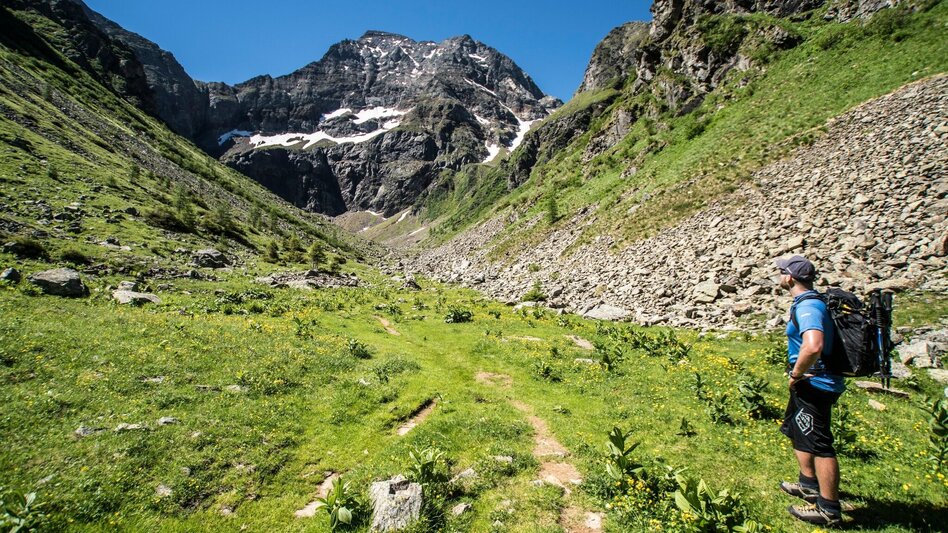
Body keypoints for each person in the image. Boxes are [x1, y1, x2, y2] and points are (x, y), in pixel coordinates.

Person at [775, 255, 845, 526]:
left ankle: (828, 508)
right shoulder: (808, 302)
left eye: (781, 272)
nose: (779, 275)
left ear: (789, 277)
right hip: (810, 382)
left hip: (815, 382)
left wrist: (797, 373)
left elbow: (813, 345)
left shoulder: (808, 306)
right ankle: (808, 483)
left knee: (819, 442)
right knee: (798, 429)